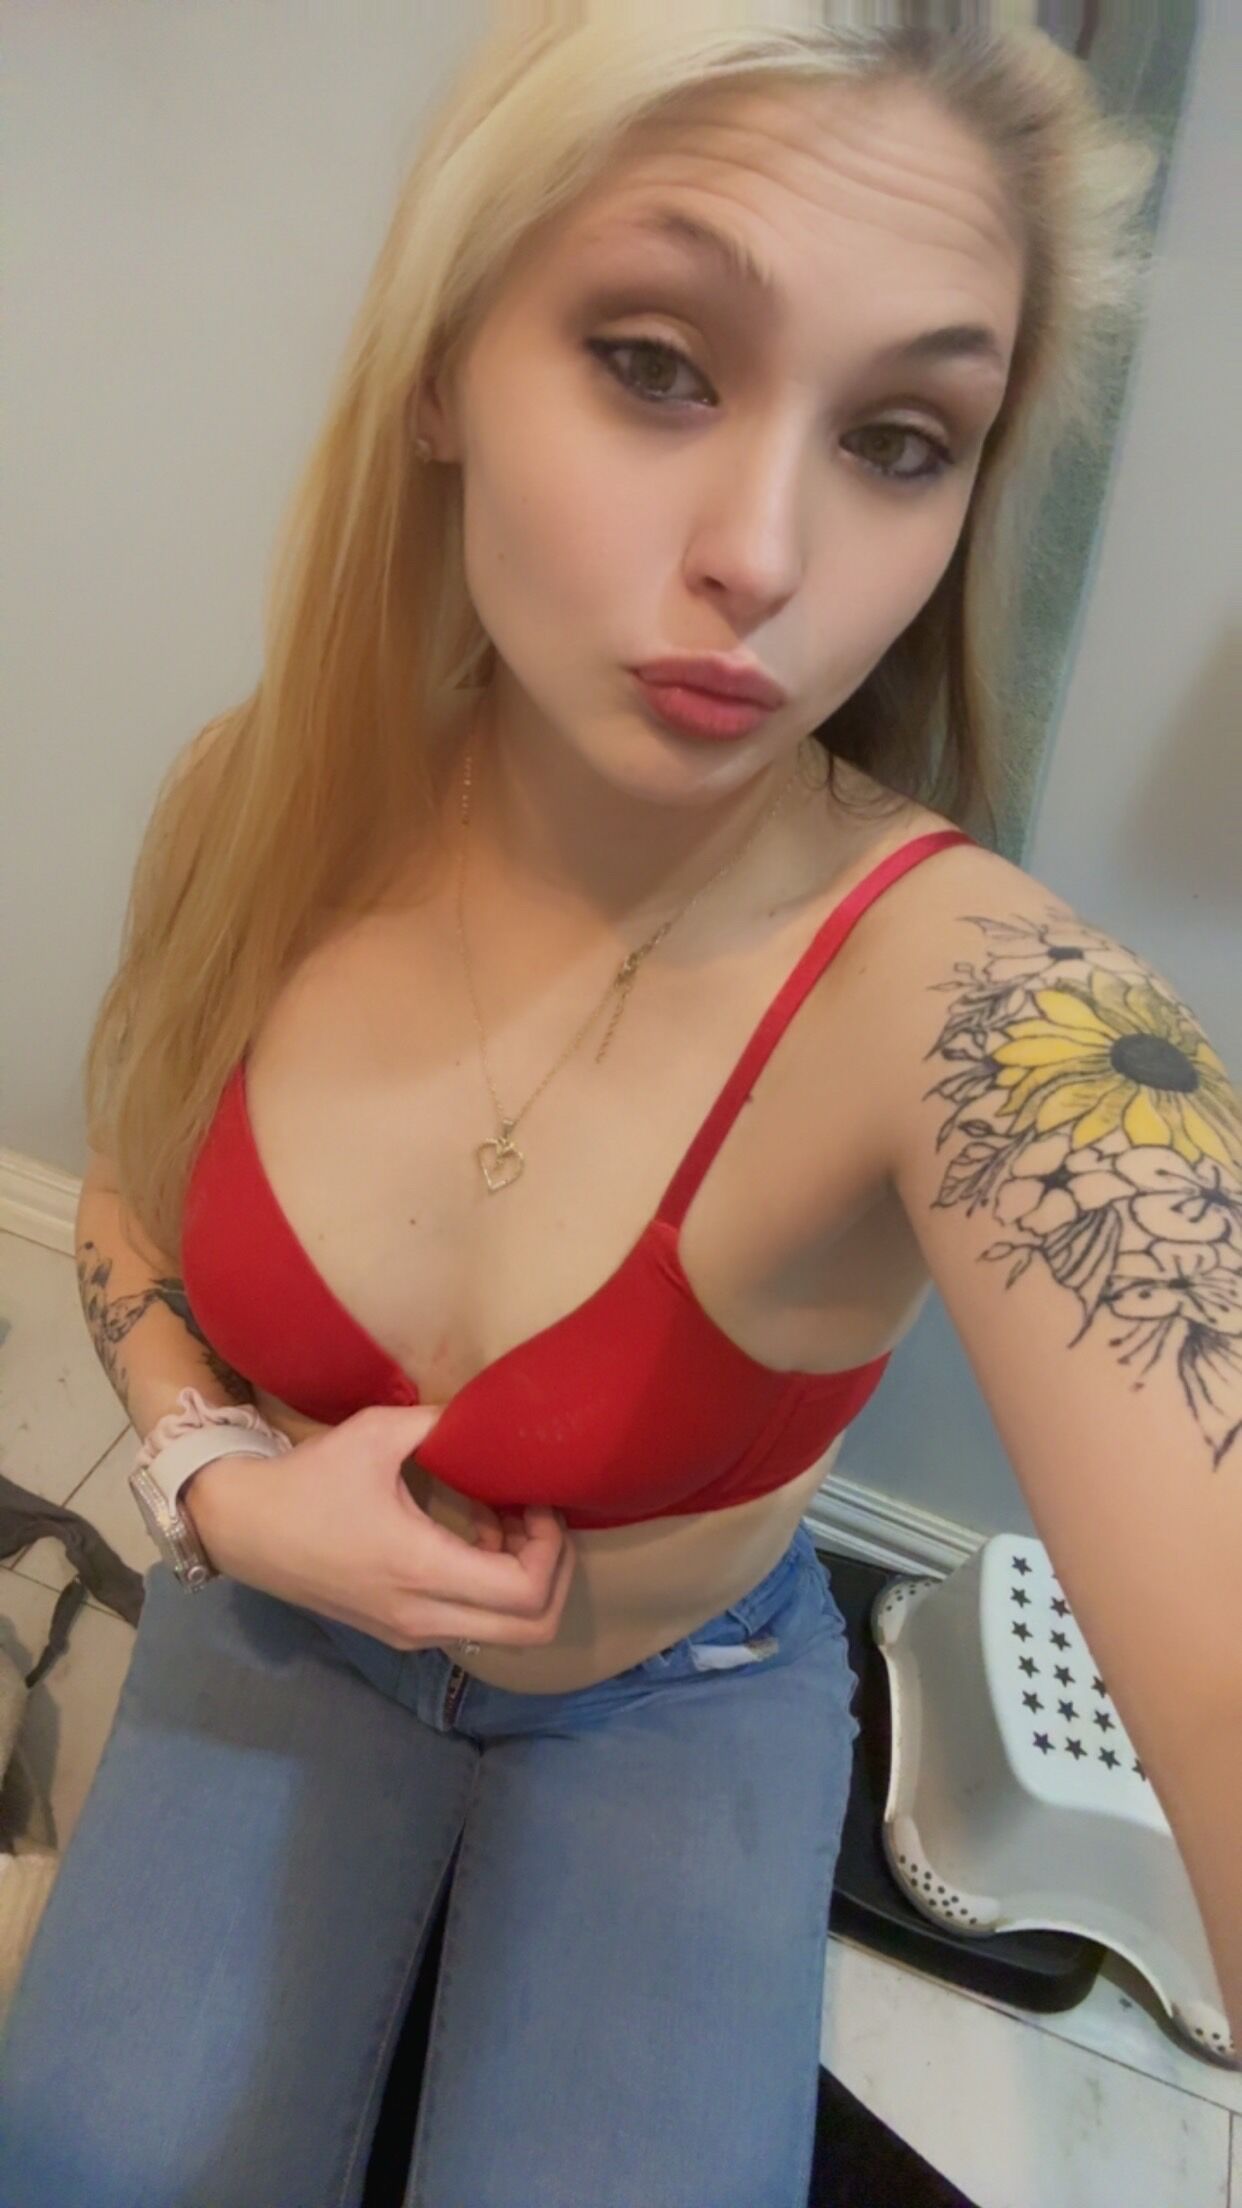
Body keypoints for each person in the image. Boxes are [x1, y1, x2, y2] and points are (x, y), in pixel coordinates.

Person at [3, 9, 1238, 2204]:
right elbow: (127, 1200)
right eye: (656, 362)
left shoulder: (970, 1002)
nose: (762, 552)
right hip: (276, 1612)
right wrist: (215, 1487)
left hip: (682, 1692)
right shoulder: (261, 800)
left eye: (898, 438)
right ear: (442, 368)